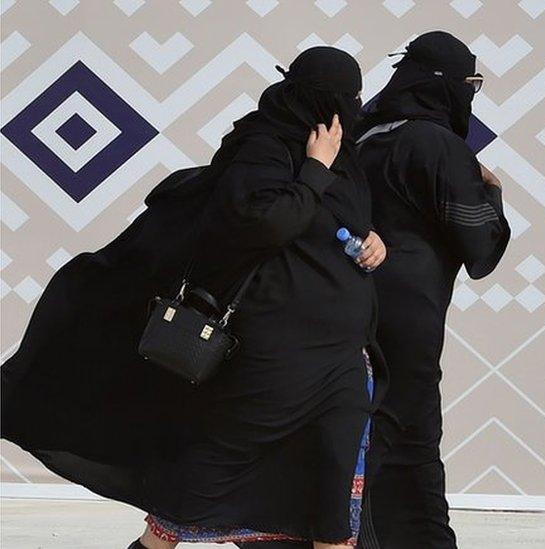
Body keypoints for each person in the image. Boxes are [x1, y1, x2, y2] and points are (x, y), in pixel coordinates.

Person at [1, 47, 388, 548]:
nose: (349, 108)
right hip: (276, 357)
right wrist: (315, 170)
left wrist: (373, 239)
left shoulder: (345, 151)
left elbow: (341, 223)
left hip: (341, 358)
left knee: (333, 496)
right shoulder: (263, 146)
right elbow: (263, 223)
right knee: (203, 484)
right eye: (341, 98)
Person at [354, 31, 511, 549]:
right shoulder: (436, 144)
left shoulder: (364, 136)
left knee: (364, 432)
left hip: (352, 306)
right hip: (410, 316)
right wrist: (492, 190)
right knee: (411, 437)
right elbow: (481, 247)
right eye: (469, 84)